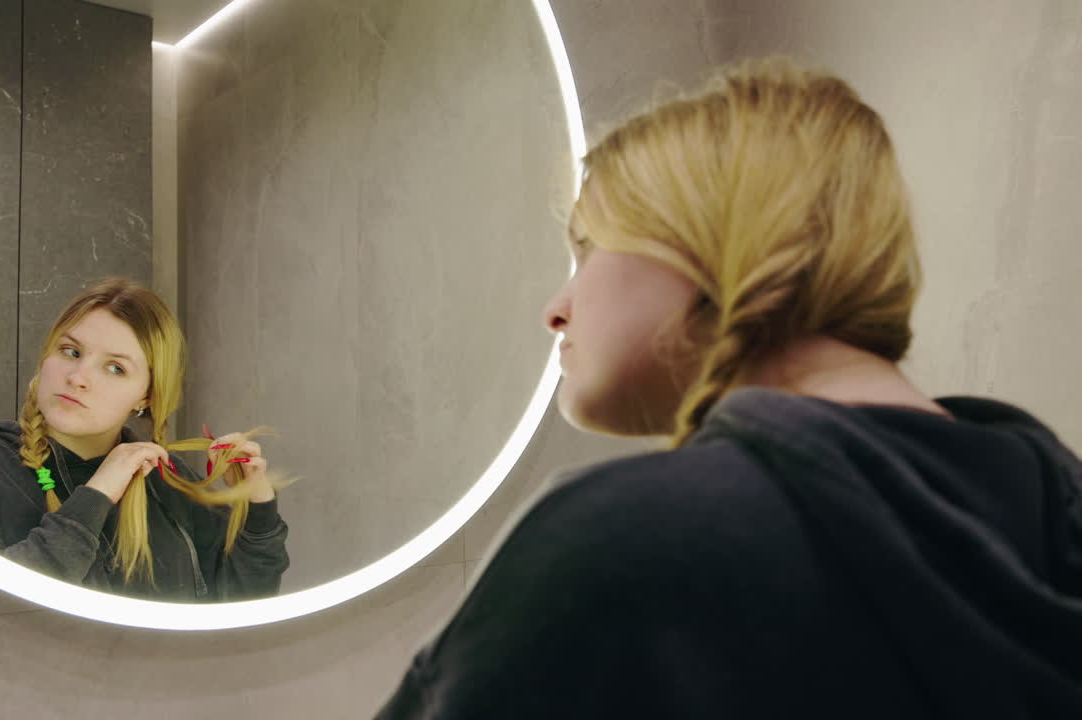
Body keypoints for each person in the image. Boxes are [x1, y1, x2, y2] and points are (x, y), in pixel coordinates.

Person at [375, 54, 1082, 718]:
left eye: (588, 246)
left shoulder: (623, 546)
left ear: (710, 241)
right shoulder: (1052, 529)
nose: (557, 307)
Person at [0, 277, 289, 602]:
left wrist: (257, 509)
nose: (79, 376)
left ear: (146, 396)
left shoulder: (170, 483)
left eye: (116, 368)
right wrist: (96, 496)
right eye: (71, 351)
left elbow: (242, 604)